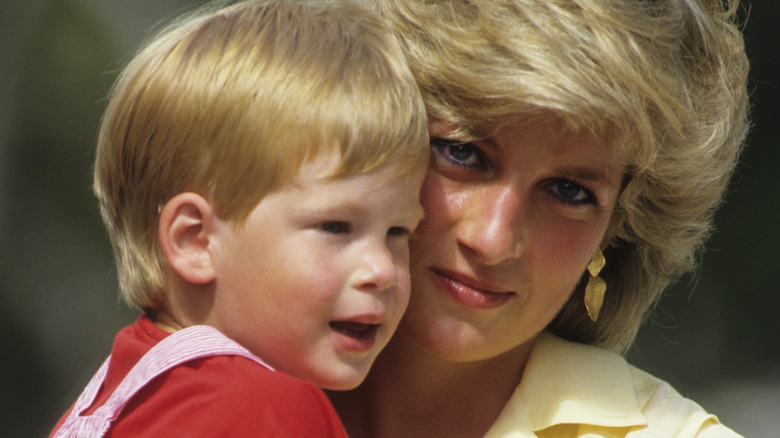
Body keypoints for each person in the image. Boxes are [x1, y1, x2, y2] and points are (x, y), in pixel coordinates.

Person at [328, 0, 750, 436]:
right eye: (461, 152)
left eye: (569, 191)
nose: (492, 239)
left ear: (616, 230)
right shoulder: (254, 356)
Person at [48, 0, 428, 436]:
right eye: (336, 227)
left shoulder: (118, 397)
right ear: (196, 240)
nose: (382, 270)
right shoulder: (264, 409)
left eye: (399, 231)